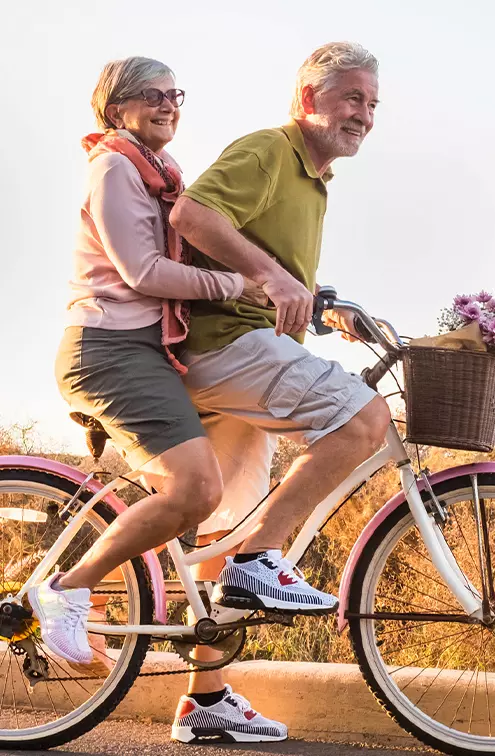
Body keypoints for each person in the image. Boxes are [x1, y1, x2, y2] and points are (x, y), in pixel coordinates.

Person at [28, 55, 291, 742]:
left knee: (223, 510)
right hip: (108, 350)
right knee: (195, 489)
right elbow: (142, 272)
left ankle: (207, 699)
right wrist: (241, 286)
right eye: (152, 94)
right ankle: (66, 591)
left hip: (148, 354)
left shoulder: (162, 174)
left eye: (176, 94)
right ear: (114, 108)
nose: (169, 104)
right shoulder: (115, 166)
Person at [168, 41, 392, 742]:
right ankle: (265, 556)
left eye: (372, 103)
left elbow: (277, 270)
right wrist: (271, 277)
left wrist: (323, 303)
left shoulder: (315, 180)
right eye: (352, 98)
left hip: (248, 354)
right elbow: (193, 217)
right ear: (309, 99)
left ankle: (205, 701)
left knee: (221, 539)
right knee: (366, 417)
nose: (364, 114)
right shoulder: (271, 149)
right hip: (223, 346)